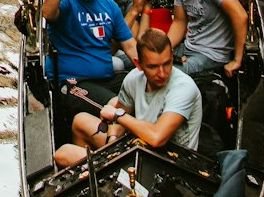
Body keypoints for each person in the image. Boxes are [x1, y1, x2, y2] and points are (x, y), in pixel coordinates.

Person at [54, 28, 202, 168]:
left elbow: (157, 137)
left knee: (64, 154)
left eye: (167, 63)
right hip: (140, 145)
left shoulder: (184, 87)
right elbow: (117, 123)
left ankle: (103, 176)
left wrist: (118, 115)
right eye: (153, 67)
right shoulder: (133, 78)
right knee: (80, 121)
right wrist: (112, 141)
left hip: (170, 163)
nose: (162, 73)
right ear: (138, 64)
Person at [42, 0, 138, 108]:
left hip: (106, 79)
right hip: (73, 83)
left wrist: (149, 72)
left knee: (145, 90)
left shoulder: (109, 5)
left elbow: (130, 46)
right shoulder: (65, 1)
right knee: (118, 106)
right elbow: (48, 13)